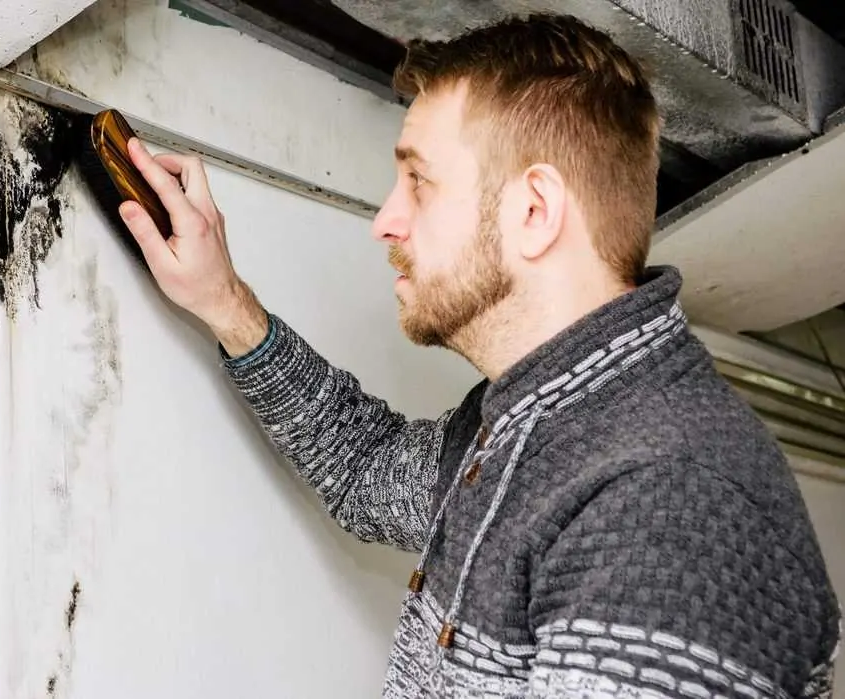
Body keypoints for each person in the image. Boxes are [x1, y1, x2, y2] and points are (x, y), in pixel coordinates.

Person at [117, 11, 840, 698]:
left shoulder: (672, 505)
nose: (385, 222)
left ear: (534, 211)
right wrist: (225, 300)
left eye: (418, 182)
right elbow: (367, 470)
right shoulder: (527, 425)